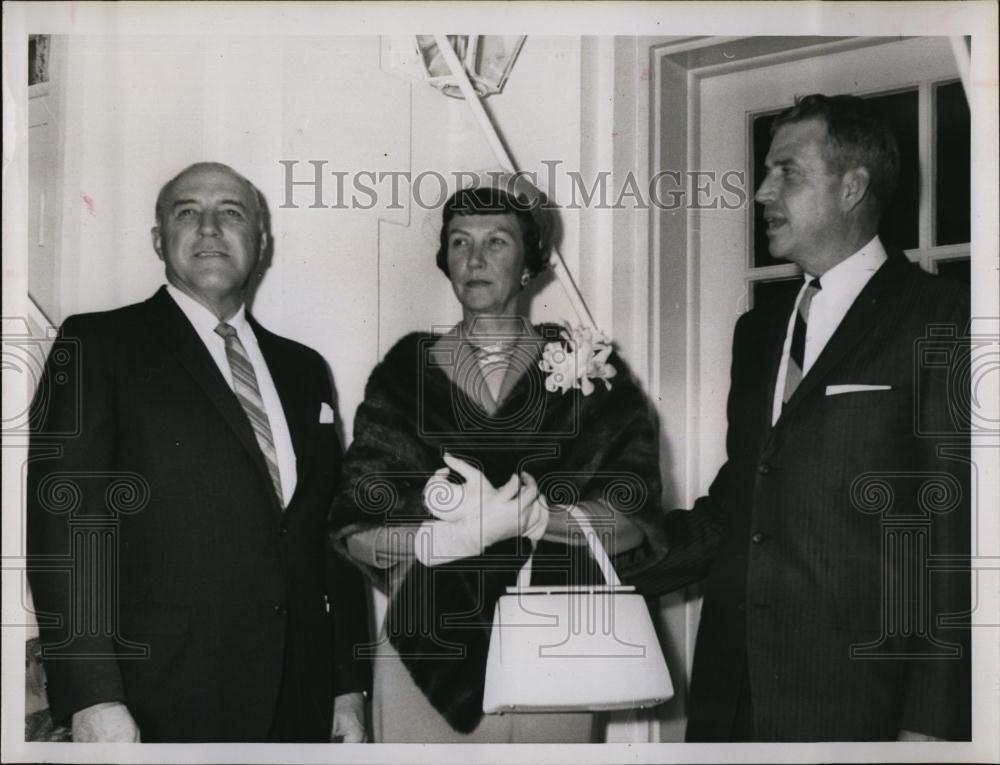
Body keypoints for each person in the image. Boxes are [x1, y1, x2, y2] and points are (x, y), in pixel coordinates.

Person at [638, 94, 971, 741]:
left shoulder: (942, 317)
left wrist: (932, 726)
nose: (761, 192)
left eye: (786, 171)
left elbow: (954, 537)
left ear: (853, 186)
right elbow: (739, 510)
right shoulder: (759, 332)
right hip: (731, 703)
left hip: (859, 712)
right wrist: (607, 550)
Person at [26, 162, 370, 743]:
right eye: (188, 212)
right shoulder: (97, 344)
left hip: (302, 699)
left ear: (260, 242)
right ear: (159, 239)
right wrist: (92, 697)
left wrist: (347, 688)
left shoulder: (304, 369)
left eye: (231, 213)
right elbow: (65, 524)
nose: (210, 227)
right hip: (155, 699)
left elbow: (332, 537)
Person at [327, 176, 670, 742]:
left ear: (531, 263)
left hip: (559, 645)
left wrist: (539, 519)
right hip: (427, 641)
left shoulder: (590, 373)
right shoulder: (404, 374)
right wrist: (438, 540)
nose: (475, 259)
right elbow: (354, 525)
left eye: (497, 242)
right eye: (460, 241)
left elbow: (634, 521)